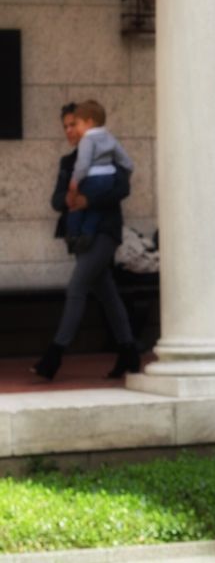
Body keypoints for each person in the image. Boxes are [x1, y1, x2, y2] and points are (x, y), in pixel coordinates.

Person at [31, 102, 141, 381]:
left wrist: (88, 199)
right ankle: (129, 351)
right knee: (107, 293)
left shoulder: (106, 153)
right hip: (79, 235)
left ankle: (53, 357)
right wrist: (70, 202)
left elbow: (122, 188)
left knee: (77, 286)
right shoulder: (69, 163)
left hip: (104, 232)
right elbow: (57, 200)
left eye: (73, 124)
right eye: (66, 127)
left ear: (86, 124)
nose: (70, 131)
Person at [64, 100, 136, 254]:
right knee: (94, 210)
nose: (76, 129)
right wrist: (125, 176)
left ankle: (74, 234)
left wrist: (74, 182)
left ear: (89, 122)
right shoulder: (109, 137)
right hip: (108, 180)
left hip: (92, 178)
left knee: (76, 206)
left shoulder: (87, 139)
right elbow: (127, 163)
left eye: (77, 124)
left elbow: (83, 165)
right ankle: (88, 233)